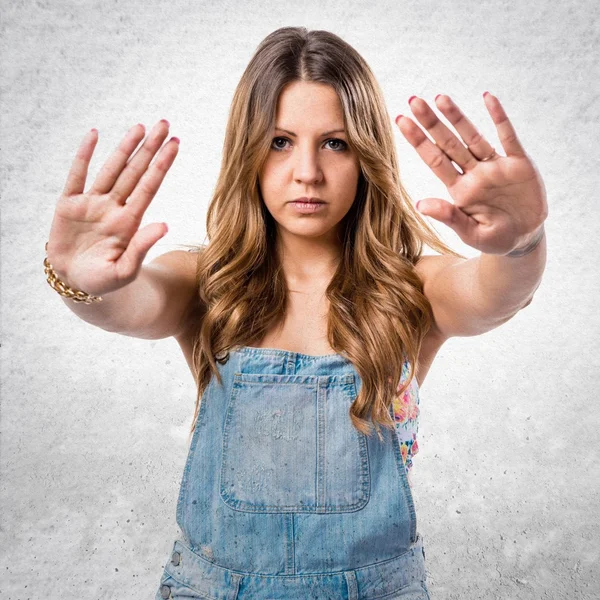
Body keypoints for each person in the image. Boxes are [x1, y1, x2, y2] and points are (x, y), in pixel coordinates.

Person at [44, 26, 547, 600]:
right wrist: (78, 283)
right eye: (281, 141)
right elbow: (131, 304)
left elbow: (493, 294)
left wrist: (520, 245)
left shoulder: (410, 289)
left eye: (335, 143)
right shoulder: (209, 283)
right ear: (247, 153)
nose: (307, 171)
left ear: (366, 157)